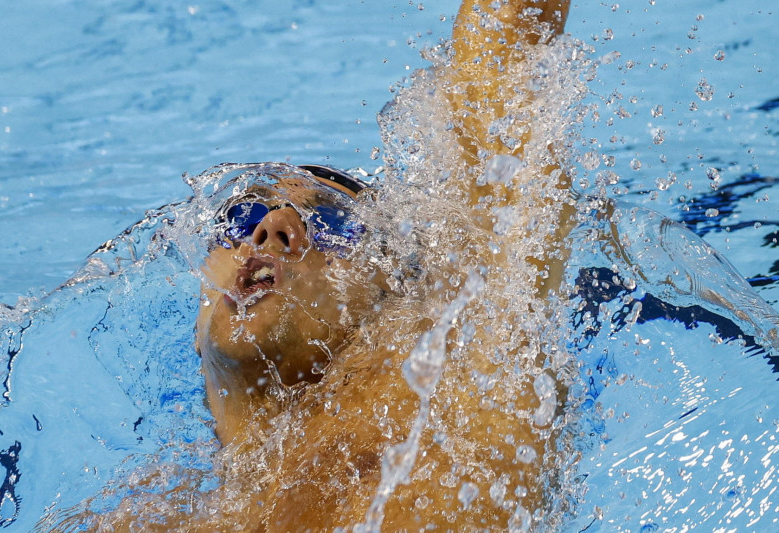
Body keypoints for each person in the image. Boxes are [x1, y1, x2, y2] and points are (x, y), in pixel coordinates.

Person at [60, 0, 575, 530]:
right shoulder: (147, 514)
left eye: (332, 223)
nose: (272, 227)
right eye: (242, 215)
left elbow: (501, 80)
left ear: (394, 296)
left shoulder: (454, 383)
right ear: (195, 322)